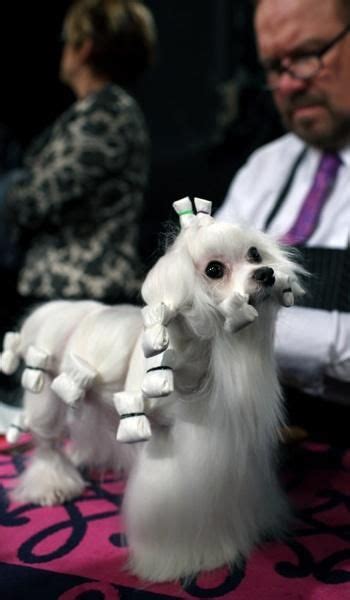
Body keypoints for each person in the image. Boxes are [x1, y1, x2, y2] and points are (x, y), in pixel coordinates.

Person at [216, 0, 350, 407]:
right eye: (275, 67)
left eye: (308, 56)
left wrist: (244, 332)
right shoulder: (264, 168)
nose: (289, 84)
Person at [2, 0, 156, 306]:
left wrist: (10, 188)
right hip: (64, 294)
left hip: (84, 295)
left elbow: (35, 199)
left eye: (66, 42)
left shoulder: (107, 114)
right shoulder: (93, 111)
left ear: (84, 48)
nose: (62, 51)